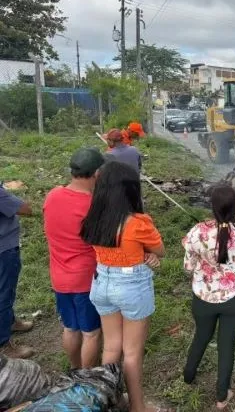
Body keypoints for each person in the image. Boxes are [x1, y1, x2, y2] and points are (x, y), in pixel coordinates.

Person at [80, 161, 164, 412]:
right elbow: (160, 250)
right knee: (132, 353)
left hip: (101, 283)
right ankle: (138, 407)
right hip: (131, 286)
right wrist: (150, 255)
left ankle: (107, 403)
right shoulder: (138, 222)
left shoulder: (94, 218)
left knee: (111, 347)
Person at [182, 185, 235, 410]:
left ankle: (188, 376)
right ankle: (222, 396)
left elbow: (188, 266)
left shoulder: (197, 232)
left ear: (212, 207)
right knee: (227, 344)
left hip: (203, 299)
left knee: (201, 337)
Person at [43, 148, 105, 369]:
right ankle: (87, 380)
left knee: (70, 328)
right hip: (85, 279)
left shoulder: (52, 196)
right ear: (97, 173)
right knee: (92, 333)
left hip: (59, 277)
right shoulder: (92, 205)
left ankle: (74, 368)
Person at [0, 183, 34, 359]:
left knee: (6, 290)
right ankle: (3, 344)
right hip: (4, 250)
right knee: (4, 294)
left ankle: (10, 322)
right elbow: (25, 209)